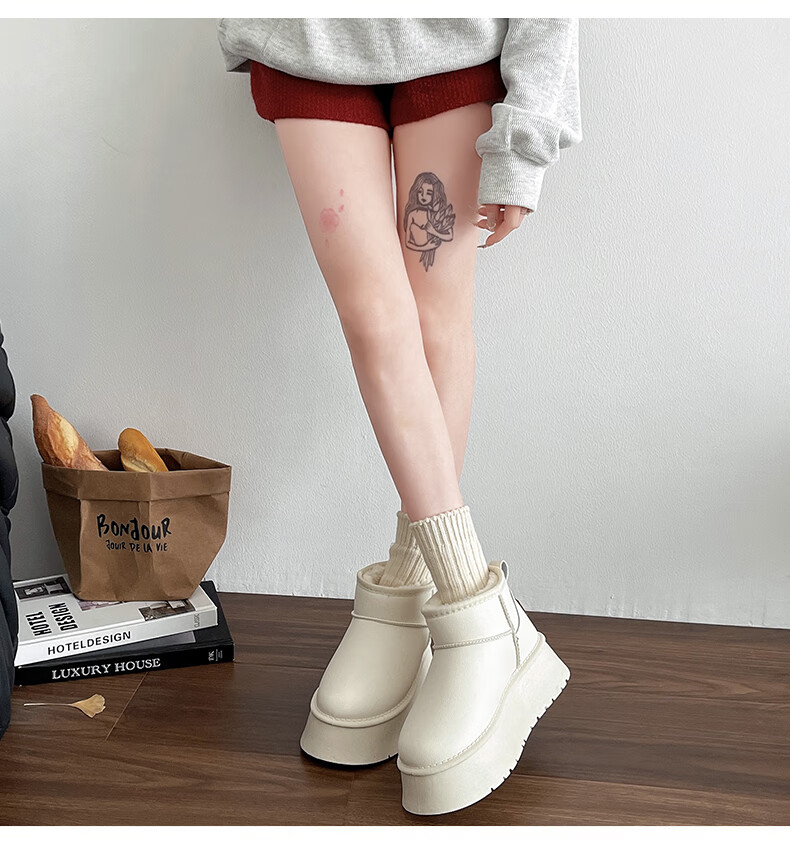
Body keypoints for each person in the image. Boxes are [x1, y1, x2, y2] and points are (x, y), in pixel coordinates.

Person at [217, 17, 582, 816]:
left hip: (456, 40)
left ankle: (413, 587)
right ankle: (476, 607)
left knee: (435, 313)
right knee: (374, 319)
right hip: (310, 39)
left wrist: (525, 134)